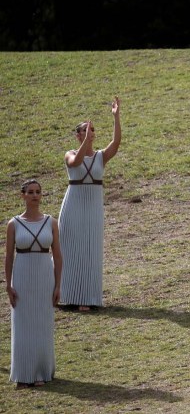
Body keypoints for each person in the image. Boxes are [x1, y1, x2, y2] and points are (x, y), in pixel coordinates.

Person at [59, 96, 121, 311]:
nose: (90, 133)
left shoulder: (101, 157)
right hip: (73, 205)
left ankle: (87, 297)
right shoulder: (70, 154)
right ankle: (64, 294)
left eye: (92, 130)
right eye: (85, 130)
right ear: (78, 135)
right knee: (69, 249)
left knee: (90, 250)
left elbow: (116, 143)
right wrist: (85, 142)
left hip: (93, 208)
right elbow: (76, 163)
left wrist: (116, 117)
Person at [4, 180, 62, 389]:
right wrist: (8, 285)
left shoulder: (51, 222)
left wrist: (57, 285)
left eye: (38, 192)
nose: (35, 195)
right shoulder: (14, 224)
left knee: (42, 323)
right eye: (30, 192)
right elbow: (9, 257)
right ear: (23, 196)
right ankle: (23, 372)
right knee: (23, 322)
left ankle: (41, 371)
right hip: (22, 277)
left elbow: (57, 255)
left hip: (44, 276)